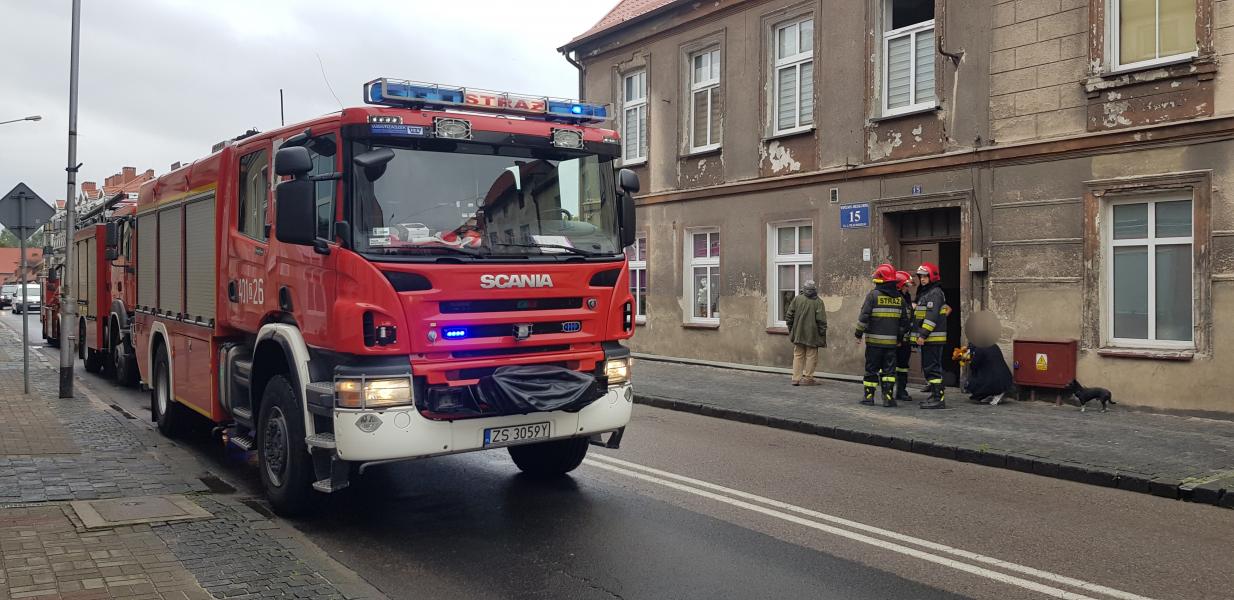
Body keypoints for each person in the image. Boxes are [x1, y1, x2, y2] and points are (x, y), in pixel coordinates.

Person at [855, 264, 909, 407]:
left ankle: (869, 397)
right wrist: (899, 339)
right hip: (891, 345)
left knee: (871, 370)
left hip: (874, 343)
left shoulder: (873, 296)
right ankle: (888, 398)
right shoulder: (900, 299)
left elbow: (863, 317)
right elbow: (904, 323)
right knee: (889, 372)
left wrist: (858, 334)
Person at [912, 262, 948, 409]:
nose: (922, 279)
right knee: (929, 368)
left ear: (932, 277)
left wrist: (923, 335)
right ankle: (934, 394)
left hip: (932, 338)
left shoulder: (935, 293)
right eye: (920, 276)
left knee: (932, 369)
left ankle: (939, 399)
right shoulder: (926, 292)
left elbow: (931, 317)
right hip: (930, 339)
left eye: (925, 276)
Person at [785, 280, 828, 386]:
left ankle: (796, 379)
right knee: (811, 356)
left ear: (804, 289)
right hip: (813, 335)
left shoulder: (797, 299)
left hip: (798, 333)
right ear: (814, 290)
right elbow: (821, 320)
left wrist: (792, 329)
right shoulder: (818, 302)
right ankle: (808, 378)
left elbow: (789, 316)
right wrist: (822, 333)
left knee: (798, 355)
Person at [893, 270, 915, 402]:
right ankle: (889, 392)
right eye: (906, 286)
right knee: (891, 367)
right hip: (896, 340)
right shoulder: (895, 299)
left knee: (903, 367)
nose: (908, 288)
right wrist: (898, 339)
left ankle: (901, 391)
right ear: (899, 286)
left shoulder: (906, 297)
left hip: (905, 340)